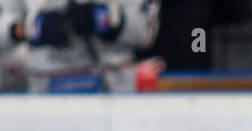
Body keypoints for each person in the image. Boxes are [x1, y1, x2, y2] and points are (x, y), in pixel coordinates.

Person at [3, 1, 158, 91]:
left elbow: (147, 31)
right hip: (46, 94)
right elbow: (6, 20)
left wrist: (111, 19)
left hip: (115, 92)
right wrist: (22, 28)